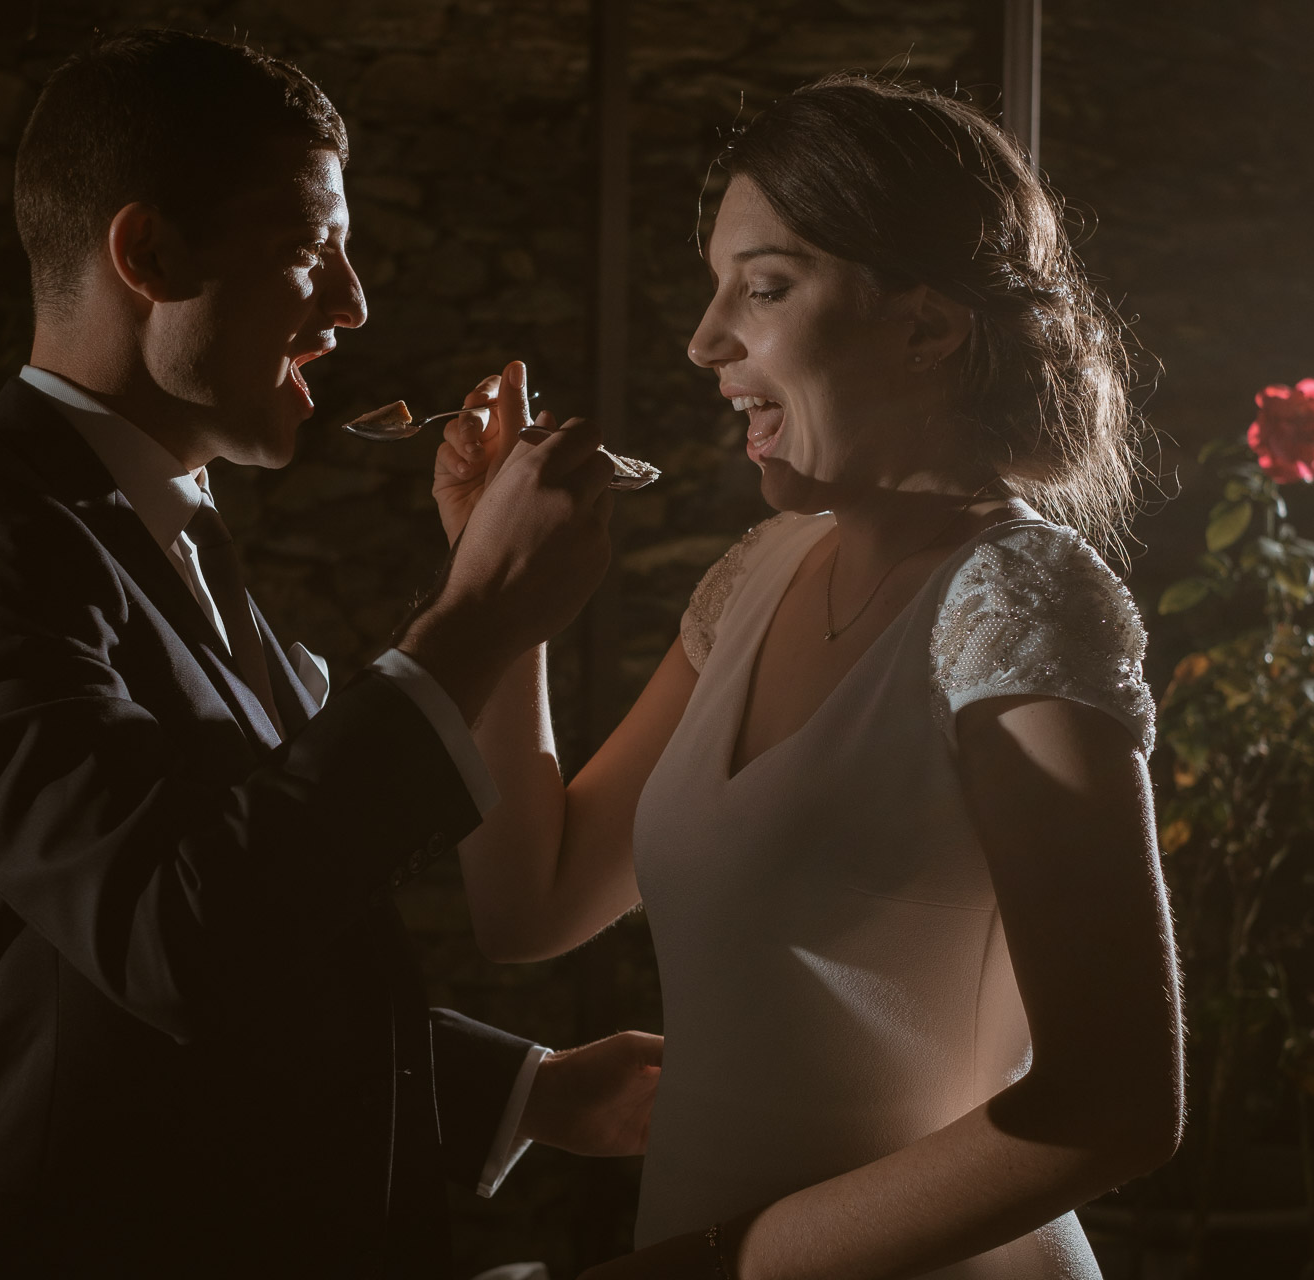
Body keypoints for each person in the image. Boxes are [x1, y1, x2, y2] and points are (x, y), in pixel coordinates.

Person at [0, 31, 661, 1280]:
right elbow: (178, 936)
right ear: (148, 254)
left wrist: (521, 1090)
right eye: (309, 251)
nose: (351, 304)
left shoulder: (170, 537)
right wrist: (479, 610)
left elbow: (257, 925)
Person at [434, 76, 1184, 1278]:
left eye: (764, 287)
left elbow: (1112, 1106)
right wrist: (494, 596)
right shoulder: (759, 573)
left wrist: (715, 1266)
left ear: (927, 327)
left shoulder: (1020, 602)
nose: (703, 338)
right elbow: (529, 902)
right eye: (716, 284)